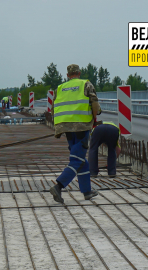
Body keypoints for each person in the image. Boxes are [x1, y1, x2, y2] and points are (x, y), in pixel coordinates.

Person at [48, 64, 101, 203]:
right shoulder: (86, 84)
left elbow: (53, 109)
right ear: (79, 73)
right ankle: (58, 186)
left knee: (81, 159)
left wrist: (59, 126)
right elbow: (94, 103)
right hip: (81, 126)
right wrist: (94, 120)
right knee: (77, 160)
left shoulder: (60, 88)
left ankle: (87, 191)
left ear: (67, 75)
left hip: (66, 127)